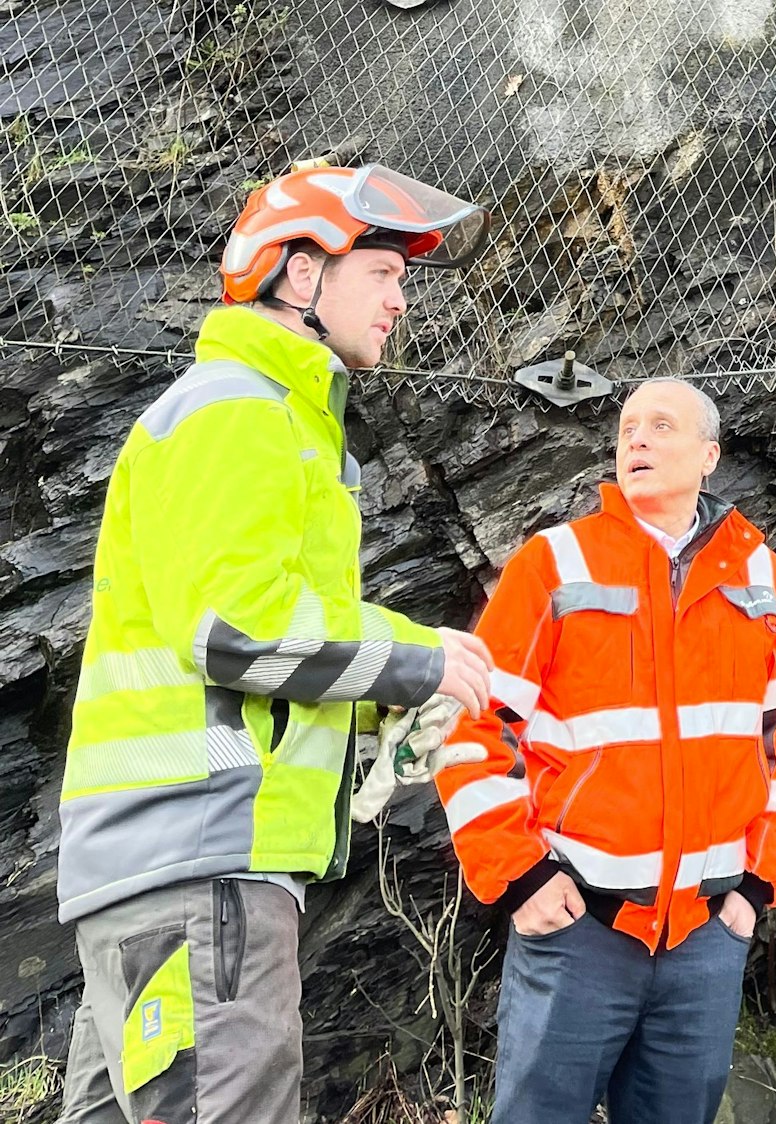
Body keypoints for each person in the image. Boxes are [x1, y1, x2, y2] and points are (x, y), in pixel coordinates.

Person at [56, 163, 497, 1124]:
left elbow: (244, 632)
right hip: (200, 866)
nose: (399, 298)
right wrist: (421, 657)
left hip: (164, 868)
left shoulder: (266, 416)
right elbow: (238, 623)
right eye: (380, 270)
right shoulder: (242, 410)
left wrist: (377, 699)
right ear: (300, 276)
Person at [433, 377, 776, 1124]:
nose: (635, 439)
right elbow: (472, 723)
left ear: (709, 455)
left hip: (706, 938)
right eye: (627, 427)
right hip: (578, 933)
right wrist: (519, 876)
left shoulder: (759, 574)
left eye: (660, 425)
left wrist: (758, 886)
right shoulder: (555, 562)